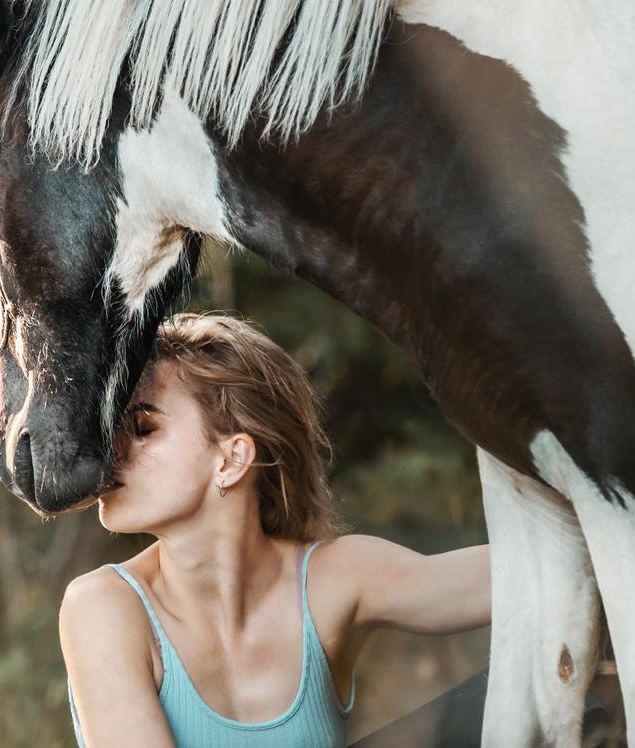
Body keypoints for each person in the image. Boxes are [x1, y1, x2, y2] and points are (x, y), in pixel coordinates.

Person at [61, 313, 490, 748]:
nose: (108, 454)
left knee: (492, 696)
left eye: (142, 428)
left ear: (230, 460)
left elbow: (529, 573)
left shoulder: (335, 580)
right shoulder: (105, 606)